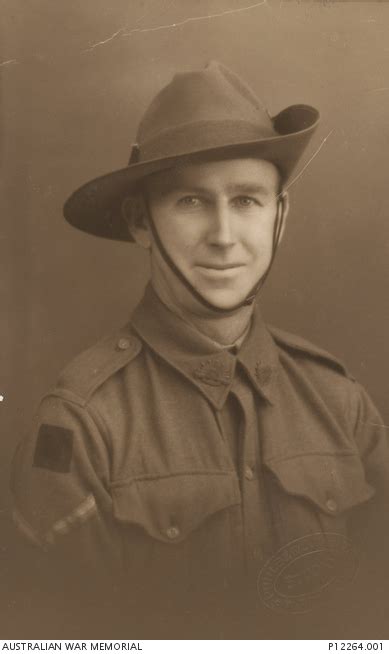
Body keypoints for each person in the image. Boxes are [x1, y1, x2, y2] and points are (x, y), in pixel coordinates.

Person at [11, 61, 389, 638]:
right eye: (190, 201)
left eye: (247, 201)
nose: (223, 235)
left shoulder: (340, 401)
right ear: (141, 222)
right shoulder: (81, 423)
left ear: (280, 218)